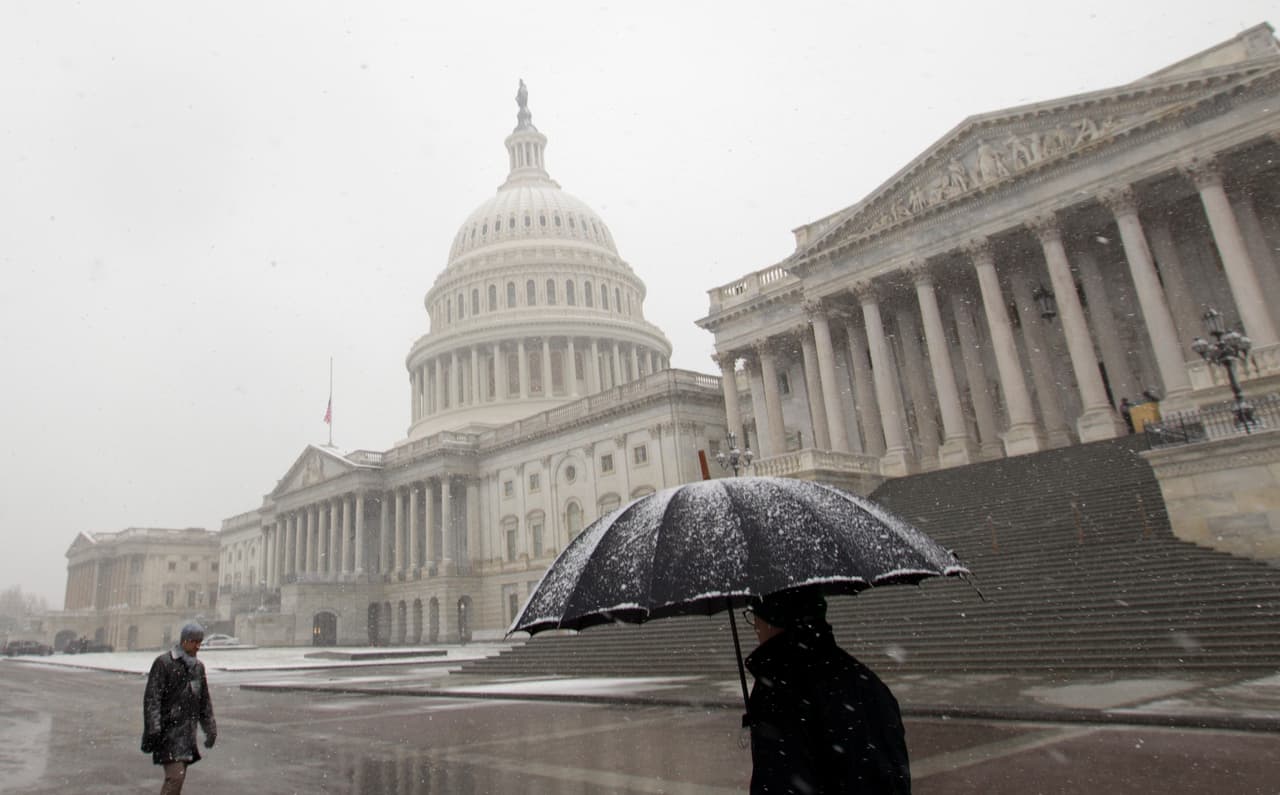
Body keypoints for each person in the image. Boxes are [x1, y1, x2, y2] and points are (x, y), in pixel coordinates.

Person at [744, 586, 910, 794]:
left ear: (772, 621)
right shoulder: (866, 680)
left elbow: (779, 783)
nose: (755, 627)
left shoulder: (778, 691)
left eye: (754, 617)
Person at [142, 623, 216, 794]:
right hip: (167, 732)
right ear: (184, 641)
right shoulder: (164, 663)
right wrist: (154, 728)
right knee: (175, 777)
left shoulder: (198, 667)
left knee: (177, 779)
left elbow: (204, 701)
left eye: (200, 642)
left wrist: (210, 728)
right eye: (194, 642)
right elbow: (152, 698)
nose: (198, 646)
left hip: (186, 734)